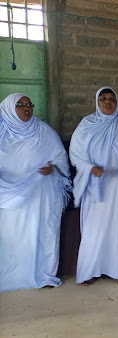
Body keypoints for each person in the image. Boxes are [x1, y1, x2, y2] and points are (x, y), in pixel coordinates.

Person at [70, 87, 118, 286]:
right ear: (97, 102)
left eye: (112, 98)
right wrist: (89, 167)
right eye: (103, 98)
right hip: (98, 184)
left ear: (117, 101)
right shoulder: (87, 124)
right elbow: (76, 154)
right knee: (96, 229)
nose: (107, 102)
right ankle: (93, 269)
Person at [0, 94, 70, 292]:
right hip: (9, 199)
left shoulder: (44, 132)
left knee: (41, 234)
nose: (26, 108)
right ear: (8, 108)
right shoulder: (1, 133)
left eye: (29, 104)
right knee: (12, 236)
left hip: (41, 196)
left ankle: (43, 274)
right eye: (20, 105)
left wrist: (53, 168)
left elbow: (60, 159)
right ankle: (13, 275)